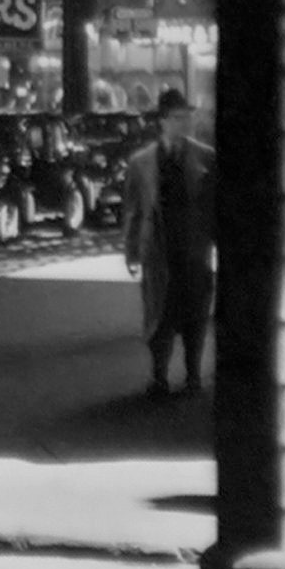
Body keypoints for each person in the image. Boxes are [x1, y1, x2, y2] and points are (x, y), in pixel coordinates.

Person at [121, 88, 215, 399]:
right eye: (178, 117)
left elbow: (215, 206)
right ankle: (159, 377)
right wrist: (132, 251)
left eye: (188, 117)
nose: (185, 123)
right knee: (158, 316)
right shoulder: (141, 162)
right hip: (158, 251)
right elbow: (134, 210)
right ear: (162, 121)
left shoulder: (205, 157)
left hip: (193, 249)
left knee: (195, 316)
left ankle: (192, 375)